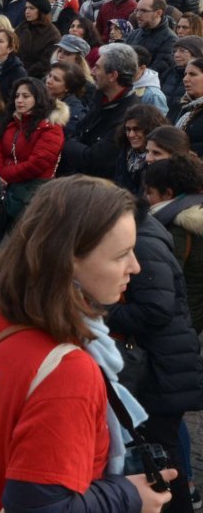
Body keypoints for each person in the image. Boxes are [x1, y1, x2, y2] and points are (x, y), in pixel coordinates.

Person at [0, 177, 176, 512]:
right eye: (122, 255)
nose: (134, 268)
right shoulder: (68, 371)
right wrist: (129, 497)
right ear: (66, 259)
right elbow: (43, 506)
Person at [109, 197, 203, 513]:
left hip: (162, 370)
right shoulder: (145, 234)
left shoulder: (144, 244)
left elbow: (155, 309)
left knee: (161, 460)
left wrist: (104, 313)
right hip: (163, 366)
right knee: (161, 451)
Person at [0, 78, 67, 219]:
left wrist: (3, 175)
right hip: (4, 187)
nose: (19, 100)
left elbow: (37, 163)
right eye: (17, 96)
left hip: (34, 192)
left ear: (38, 98)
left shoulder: (51, 127)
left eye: (26, 96)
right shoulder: (11, 122)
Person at [145, 156, 203, 332]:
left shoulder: (177, 229)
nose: (145, 198)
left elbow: (164, 284)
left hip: (180, 321)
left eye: (149, 192)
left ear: (168, 194)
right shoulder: (195, 211)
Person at [64, 43, 139, 179]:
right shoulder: (101, 99)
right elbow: (78, 132)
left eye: (97, 68)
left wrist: (67, 144)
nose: (92, 72)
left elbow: (96, 159)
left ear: (112, 76)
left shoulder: (129, 115)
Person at [115, 105, 167, 194]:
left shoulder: (159, 158)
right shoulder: (124, 152)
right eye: (128, 129)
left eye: (137, 129)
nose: (131, 135)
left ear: (150, 129)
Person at [14, 0, 61, 79]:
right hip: (15, 73)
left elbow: (45, 63)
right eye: (26, 8)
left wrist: (24, 75)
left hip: (36, 80)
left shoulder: (53, 34)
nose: (27, 11)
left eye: (31, 8)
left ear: (41, 11)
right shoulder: (22, 27)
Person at [46, 61, 90, 136]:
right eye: (49, 76)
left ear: (68, 87)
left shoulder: (74, 112)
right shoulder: (41, 97)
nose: (49, 81)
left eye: (56, 79)